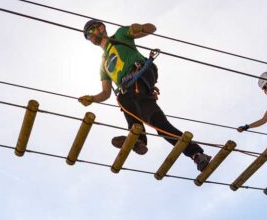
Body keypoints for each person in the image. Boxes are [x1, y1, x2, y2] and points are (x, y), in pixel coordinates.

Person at [78, 19, 212, 172]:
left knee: (133, 101)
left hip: (141, 73)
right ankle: (140, 139)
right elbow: (106, 92)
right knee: (151, 119)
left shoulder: (121, 35)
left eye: (90, 32)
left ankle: (141, 138)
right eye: (87, 36)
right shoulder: (103, 65)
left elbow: (152, 28)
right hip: (129, 91)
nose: (90, 36)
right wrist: (93, 99)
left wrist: (140, 28)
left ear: (101, 27)